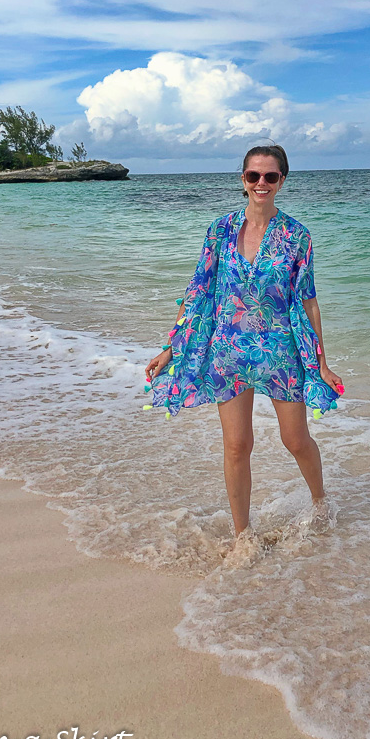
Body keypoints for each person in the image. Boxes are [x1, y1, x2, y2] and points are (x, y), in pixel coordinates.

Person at [145, 144, 343, 538]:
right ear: (243, 180)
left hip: (280, 352)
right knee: (237, 446)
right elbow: (198, 292)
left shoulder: (296, 236)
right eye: (254, 175)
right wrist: (172, 346)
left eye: (270, 176)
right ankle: (242, 535)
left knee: (296, 439)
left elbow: (308, 301)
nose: (262, 183)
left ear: (282, 180)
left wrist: (320, 361)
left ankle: (321, 504)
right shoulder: (220, 230)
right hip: (227, 353)